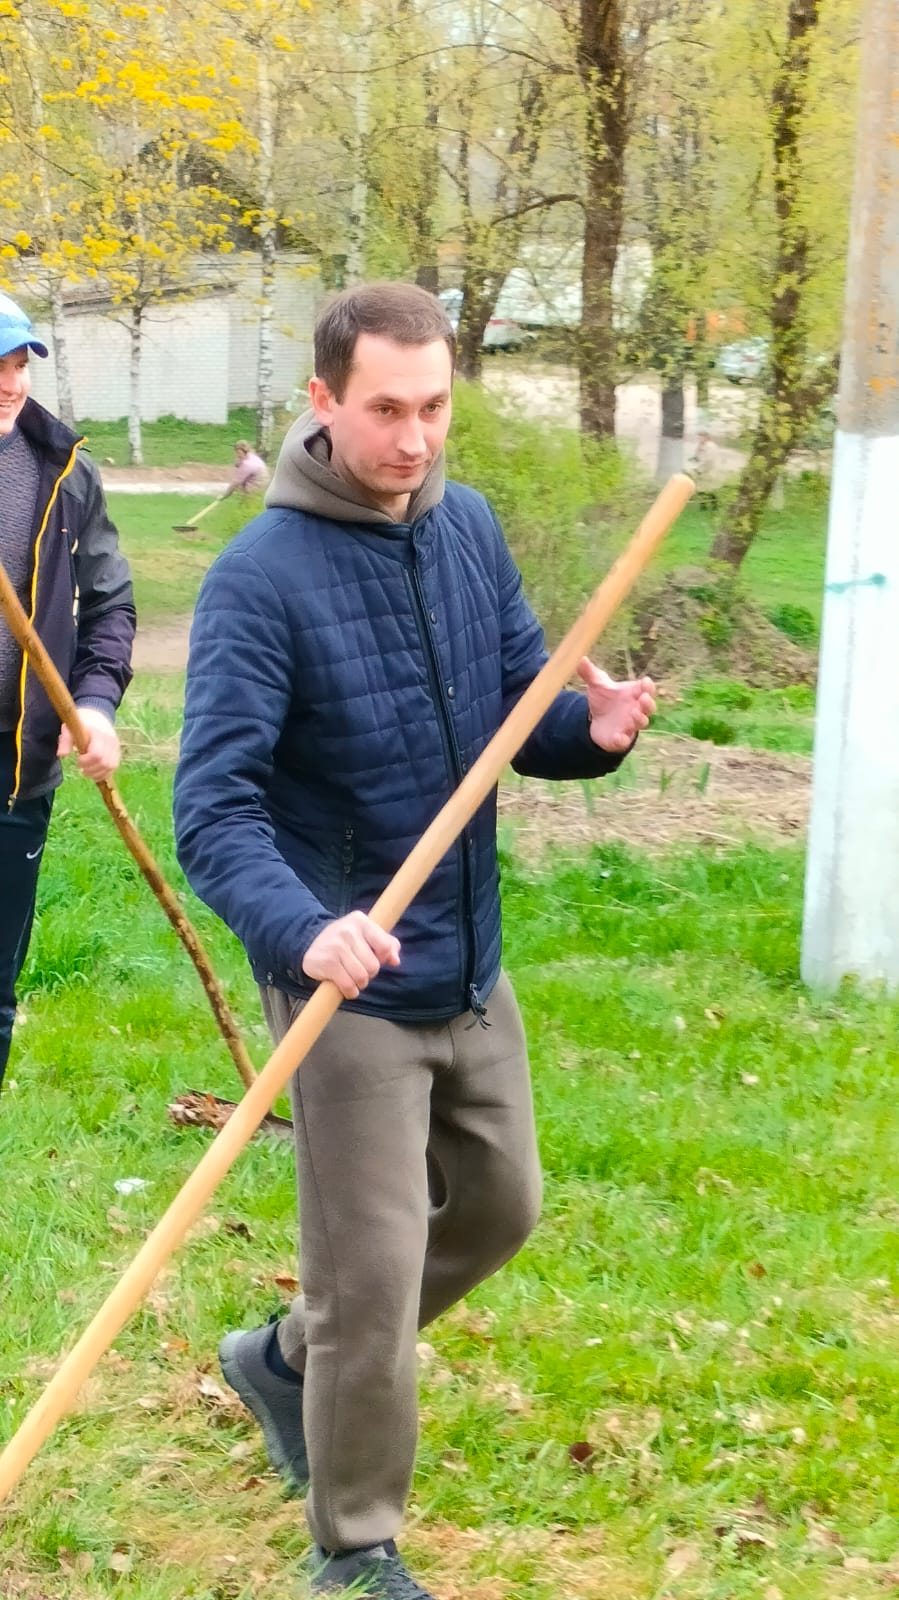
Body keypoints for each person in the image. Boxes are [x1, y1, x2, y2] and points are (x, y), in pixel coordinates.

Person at [173, 282, 655, 1598]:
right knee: (374, 1281)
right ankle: (355, 1544)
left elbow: (514, 714)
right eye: (385, 409)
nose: (414, 438)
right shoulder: (259, 579)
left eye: (434, 406)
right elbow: (211, 810)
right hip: (348, 985)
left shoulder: (467, 527)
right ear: (322, 402)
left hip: (463, 959)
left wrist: (593, 732)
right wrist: (304, 932)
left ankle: (287, 1356)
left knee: (501, 1206)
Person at [0, 290, 135, 1093]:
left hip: (17, 766)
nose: (10, 383)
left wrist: (93, 705)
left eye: (19, 363)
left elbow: (111, 603)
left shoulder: (64, 470)